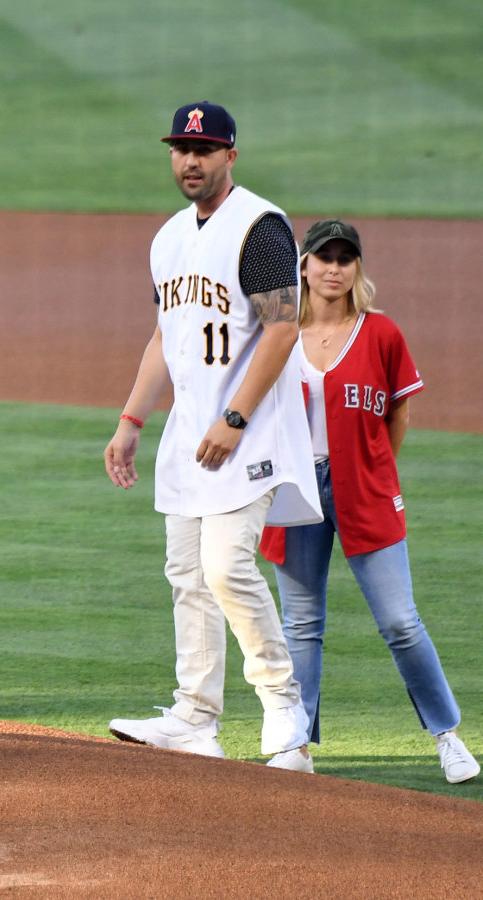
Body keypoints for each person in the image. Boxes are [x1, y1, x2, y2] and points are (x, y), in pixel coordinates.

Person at [103, 102, 321, 771]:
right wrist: (130, 420)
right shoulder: (168, 239)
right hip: (189, 438)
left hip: (247, 435)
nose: (190, 161)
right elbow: (165, 340)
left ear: (231, 154)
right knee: (188, 577)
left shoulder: (259, 225)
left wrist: (235, 419)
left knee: (227, 568)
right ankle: (195, 718)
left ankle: (287, 717)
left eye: (204, 150)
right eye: (180, 149)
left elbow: (282, 327)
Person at [259, 219, 479, 783]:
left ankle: (447, 736)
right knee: (301, 624)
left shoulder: (380, 333)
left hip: (366, 488)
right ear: (303, 266)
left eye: (344, 257)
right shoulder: (278, 332)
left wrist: (374, 469)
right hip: (294, 489)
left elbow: (398, 414)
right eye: (323, 257)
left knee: (401, 622)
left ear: (357, 268)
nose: (334, 267)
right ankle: (297, 745)